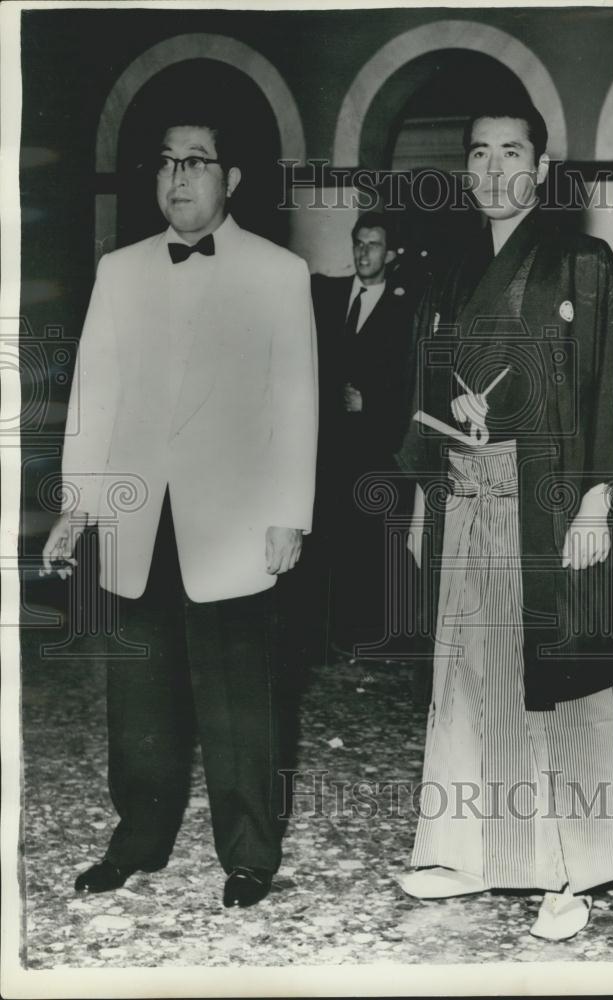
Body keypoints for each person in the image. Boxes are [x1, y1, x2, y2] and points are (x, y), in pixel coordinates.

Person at [41, 112, 318, 909]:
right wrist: (77, 506)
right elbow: (96, 395)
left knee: (240, 698)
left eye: (198, 161)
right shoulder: (121, 270)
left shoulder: (278, 272)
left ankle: (249, 853)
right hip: (136, 519)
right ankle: (138, 840)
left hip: (234, 520)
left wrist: (288, 514)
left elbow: (296, 403)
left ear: (232, 180)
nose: (179, 176)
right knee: (141, 697)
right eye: (167, 162)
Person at [395, 99, 613, 941]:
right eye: (480, 154)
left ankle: (572, 872)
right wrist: (424, 498)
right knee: (468, 683)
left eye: (513, 154)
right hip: (465, 499)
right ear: (465, 170)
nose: (496, 170)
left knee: (556, 688)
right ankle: (472, 855)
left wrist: (599, 500)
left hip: (545, 504)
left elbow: (608, 387)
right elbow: (423, 395)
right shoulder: (447, 270)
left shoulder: (583, 262)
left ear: (540, 168)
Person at [312, 212, 415, 659]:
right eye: (358, 243)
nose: (363, 252)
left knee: (376, 546)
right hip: (329, 447)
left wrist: (371, 404)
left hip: (379, 450)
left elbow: (414, 380)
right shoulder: (327, 296)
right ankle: (331, 635)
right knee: (331, 540)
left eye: (373, 245)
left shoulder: (408, 305)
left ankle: (376, 638)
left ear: (390, 254)